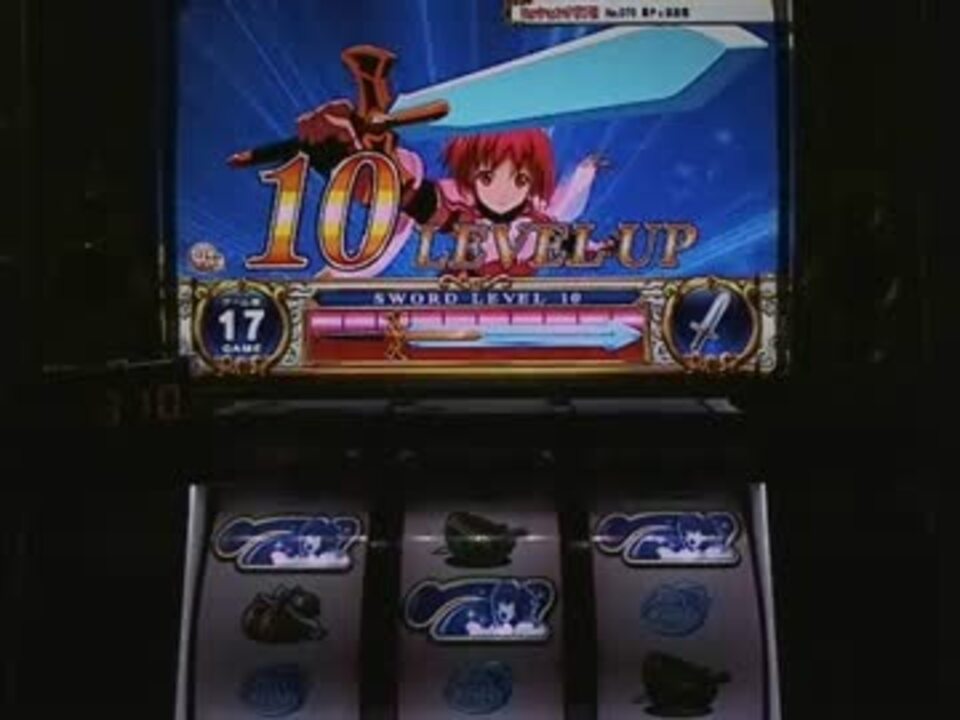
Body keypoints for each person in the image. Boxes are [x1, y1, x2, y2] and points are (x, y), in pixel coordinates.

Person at [296, 99, 608, 277]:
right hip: (464, 287)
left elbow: (569, 229)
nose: (502, 193)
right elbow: (415, 199)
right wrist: (353, 155)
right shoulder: (463, 205)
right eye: (487, 177)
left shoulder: (539, 216)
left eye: (520, 180)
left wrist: (588, 173)